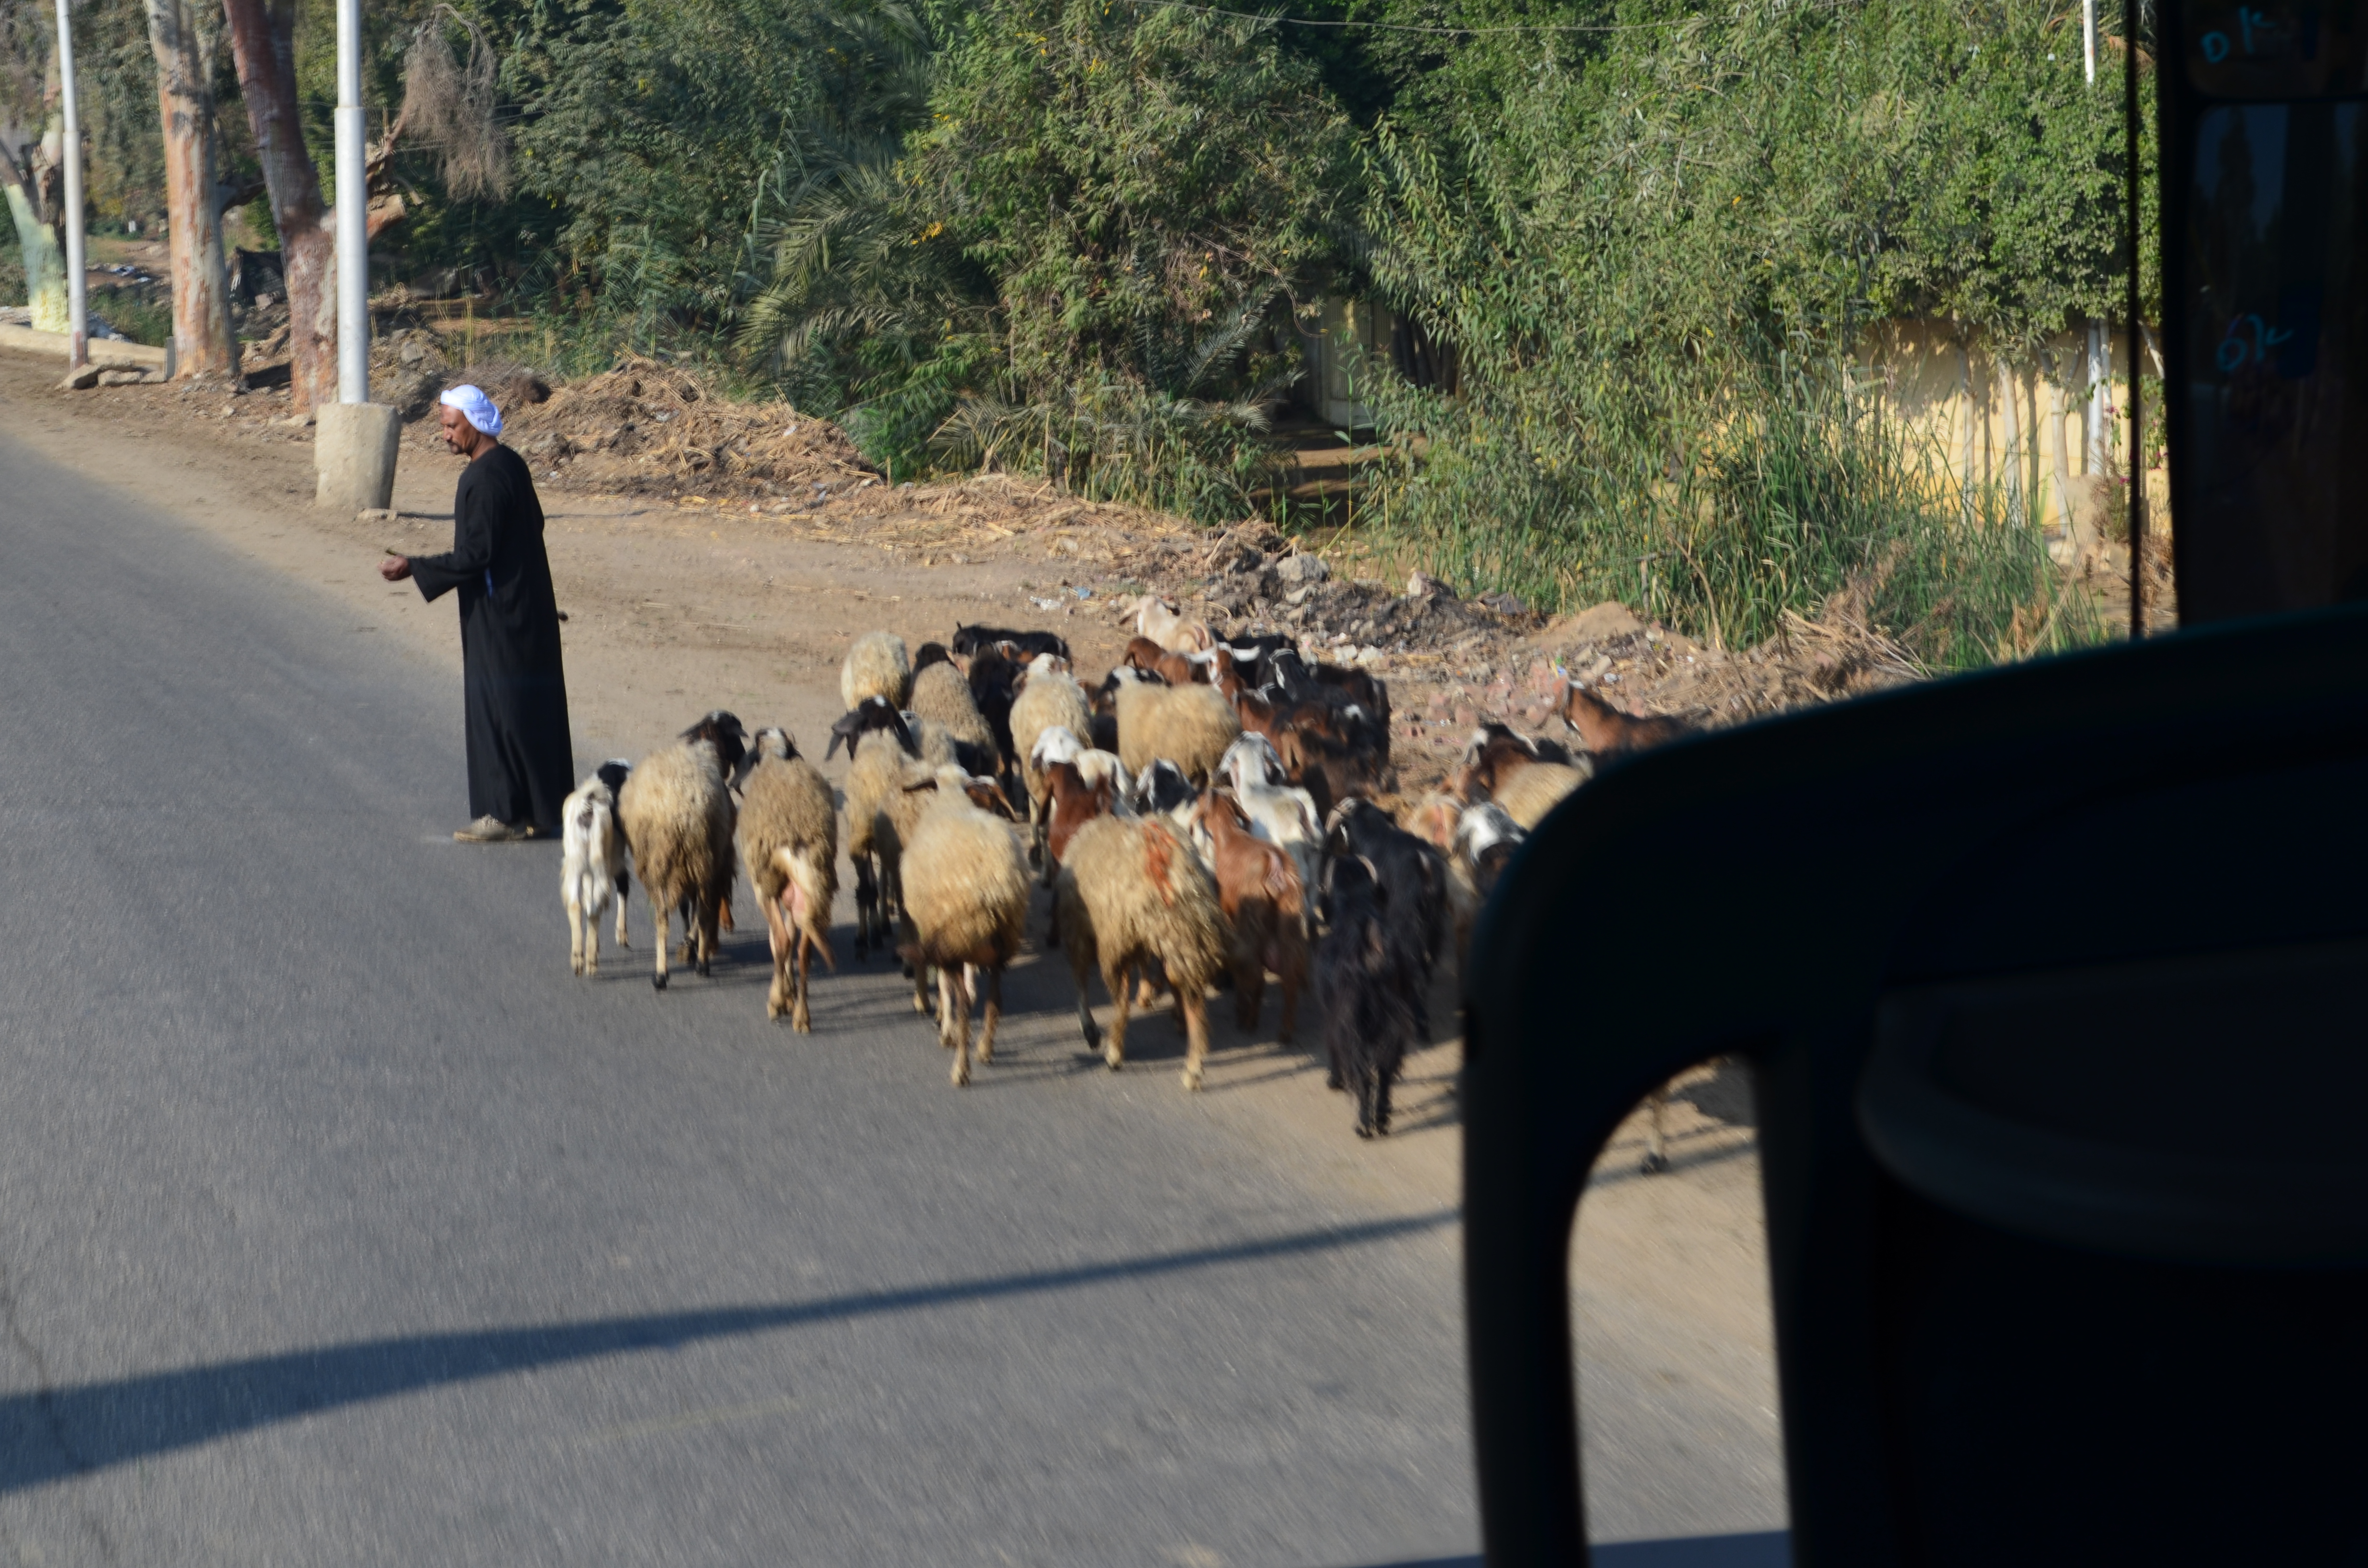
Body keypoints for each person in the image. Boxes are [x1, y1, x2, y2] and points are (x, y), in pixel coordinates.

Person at [380, 385, 574, 842]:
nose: (446, 435)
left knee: (496, 710)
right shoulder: (511, 464)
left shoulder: (484, 479)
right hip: (528, 606)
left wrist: (415, 566)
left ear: (476, 423)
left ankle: (501, 813)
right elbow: (532, 526)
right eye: (444, 427)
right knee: (529, 707)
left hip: (498, 612)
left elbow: (476, 554)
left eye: (452, 426)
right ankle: (541, 809)